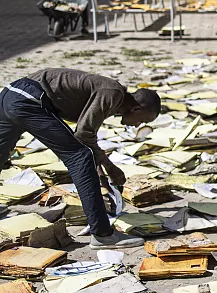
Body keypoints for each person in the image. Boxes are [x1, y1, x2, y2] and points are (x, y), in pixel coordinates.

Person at [0, 69, 161, 249]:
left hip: (9, 93)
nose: (138, 125)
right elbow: (83, 135)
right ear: (136, 108)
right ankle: (103, 234)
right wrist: (110, 167)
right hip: (28, 99)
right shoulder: (113, 93)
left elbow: (88, 138)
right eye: (143, 121)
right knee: (80, 157)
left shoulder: (112, 96)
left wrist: (102, 179)